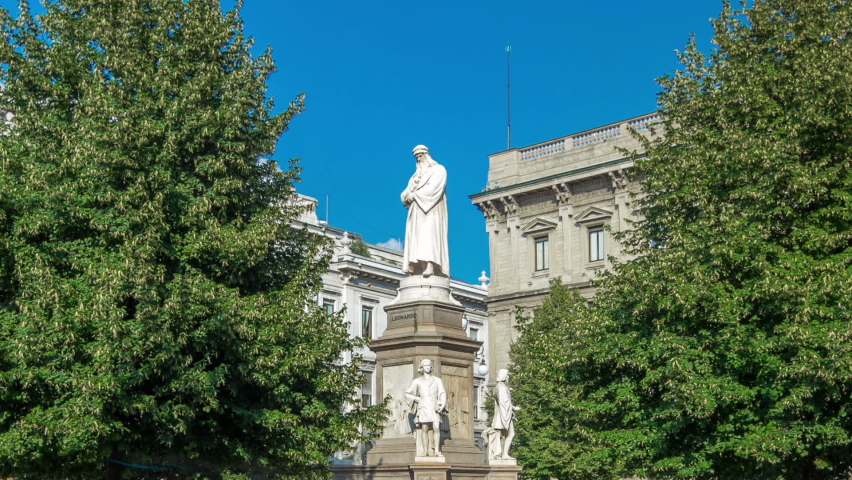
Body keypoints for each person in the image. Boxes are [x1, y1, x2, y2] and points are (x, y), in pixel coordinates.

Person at [400, 145, 449, 278]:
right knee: (417, 239)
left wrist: (414, 195)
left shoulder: (439, 170)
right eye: (416, 157)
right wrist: (406, 196)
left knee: (429, 236)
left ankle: (431, 265)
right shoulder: (415, 176)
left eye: (420, 156)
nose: (418, 159)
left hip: (431, 210)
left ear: (426, 155)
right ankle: (418, 268)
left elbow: (434, 189)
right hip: (416, 212)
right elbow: (406, 191)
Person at [404, 359, 447, 457]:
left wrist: (442, 404)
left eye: (429, 365)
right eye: (425, 365)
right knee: (424, 428)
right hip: (423, 406)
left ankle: (437, 450)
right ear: (422, 368)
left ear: (431, 367)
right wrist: (417, 398)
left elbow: (442, 393)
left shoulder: (437, 380)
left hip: (434, 406)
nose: (427, 367)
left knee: (436, 427)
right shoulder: (417, 381)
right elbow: (407, 393)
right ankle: (425, 450)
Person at [492, 369, 521, 460]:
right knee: (506, 434)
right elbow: (503, 402)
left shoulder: (501, 386)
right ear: (504, 376)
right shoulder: (501, 387)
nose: (508, 377)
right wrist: (512, 409)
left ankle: (502, 454)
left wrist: (513, 408)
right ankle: (501, 454)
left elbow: (506, 401)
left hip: (506, 413)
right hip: (503, 414)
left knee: (505, 434)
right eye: (507, 375)